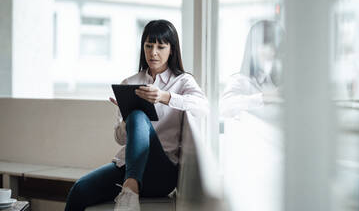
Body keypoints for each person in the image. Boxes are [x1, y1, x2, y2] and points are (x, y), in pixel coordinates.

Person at [65, 19, 209, 211]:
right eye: (149, 46)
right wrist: (126, 118)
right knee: (79, 190)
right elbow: (119, 138)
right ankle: (129, 192)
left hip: (162, 172)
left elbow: (203, 107)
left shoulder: (182, 81)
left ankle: (129, 192)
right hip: (128, 166)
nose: (153, 52)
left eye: (160, 46)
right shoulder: (130, 82)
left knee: (139, 115)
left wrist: (164, 96)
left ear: (172, 49)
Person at [220, 20, 284, 118]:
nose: (273, 51)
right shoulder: (240, 81)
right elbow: (225, 106)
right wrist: (266, 98)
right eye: (267, 45)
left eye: (277, 46)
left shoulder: (283, 81)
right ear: (253, 48)